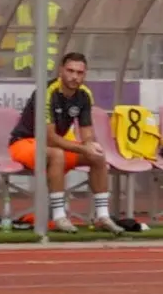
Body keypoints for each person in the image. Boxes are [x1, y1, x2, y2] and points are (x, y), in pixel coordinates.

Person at [10, 52, 121, 234]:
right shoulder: (47, 92)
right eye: (70, 71)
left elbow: (86, 130)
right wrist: (83, 148)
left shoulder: (84, 94)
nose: (74, 76)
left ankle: (102, 216)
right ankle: (59, 216)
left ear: (85, 75)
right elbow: (49, 138)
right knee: (57, 154)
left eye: (79, 73)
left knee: (98, 156)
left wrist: (89, 145)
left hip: (54, 147)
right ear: (61, 71)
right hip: (24, 143)